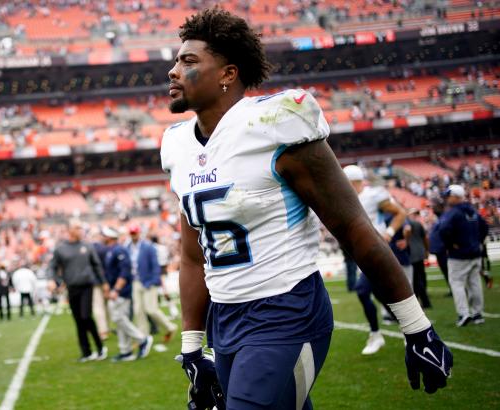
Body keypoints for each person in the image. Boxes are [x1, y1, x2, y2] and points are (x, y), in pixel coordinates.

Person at [161, 8, 452, 409]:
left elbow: (352, 228)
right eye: (176, 60)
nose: (174, 70)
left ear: (228, 73)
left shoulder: (275, 124)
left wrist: (416, 327)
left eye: (189, 61)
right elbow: (193, 257)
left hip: (287, 307)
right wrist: (193, 348)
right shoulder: (177, 146)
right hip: (225, 320)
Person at [344, 165, 408, 355]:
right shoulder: (348, 200)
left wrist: (388, 233)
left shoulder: (372, 195)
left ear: (353, 182)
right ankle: (408, 329)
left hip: (377, 251)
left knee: (362, 290)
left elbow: (400, 212)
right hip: (363, 254)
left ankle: (375, 334)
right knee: (382, 296)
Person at [48, 219, 109, 362]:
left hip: (87, 286)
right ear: (69, 230)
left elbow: (97, 266)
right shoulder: (61, 248)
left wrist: (104, 283)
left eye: (81, 227)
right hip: (72, 288)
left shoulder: (87, 246)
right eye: (77, 227)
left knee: (86, 316)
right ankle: (86, 352)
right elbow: (52, 267)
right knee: (78, 321)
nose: (81, 229)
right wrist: (54, 280)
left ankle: (100, 347)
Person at [438, 184, 489, 326]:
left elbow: (443, 229)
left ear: (456, 197)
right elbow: (484, 227)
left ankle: (463, 313)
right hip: (475, 253)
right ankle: (477, 314)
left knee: (457, 283)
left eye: (449, 195)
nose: (447, 198)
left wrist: (450, 245)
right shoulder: (473, 211)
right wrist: (477, 241)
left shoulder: (453, 212)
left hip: (459, 255)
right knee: (475, 283)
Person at [101, 226, 153, 362]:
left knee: (119, 318)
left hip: (121, 292)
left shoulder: (119, 250)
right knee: (119, 320)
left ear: (109, 237)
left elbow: (124, 272)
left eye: (104, 235)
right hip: (115, 291)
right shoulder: (111, 250)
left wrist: (117, 289)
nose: (102, 237)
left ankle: (142, 339)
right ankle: (126, 351)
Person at [125, 224, 177, 342]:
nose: (133, 236)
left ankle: (170, 327)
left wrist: (153, 281)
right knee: (138, 310)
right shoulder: (128, 247)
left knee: (151, 309)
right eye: (132, 233)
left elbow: (155, 266)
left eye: (135, 233)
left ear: (139, 233)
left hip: (148, 281)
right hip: (135, 281)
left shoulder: (148, 247)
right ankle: (143, 337)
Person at [408, 209, 432, 308]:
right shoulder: (418, 224)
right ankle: (424, 300)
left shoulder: (405, 224)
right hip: (419, 252)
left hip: (411, 254)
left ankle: (423, 300)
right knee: (421, 276)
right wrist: (426, 250)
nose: (415, 216)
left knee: (416, 279)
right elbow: (425, 238)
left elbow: (425, 238)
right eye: (413, 214)